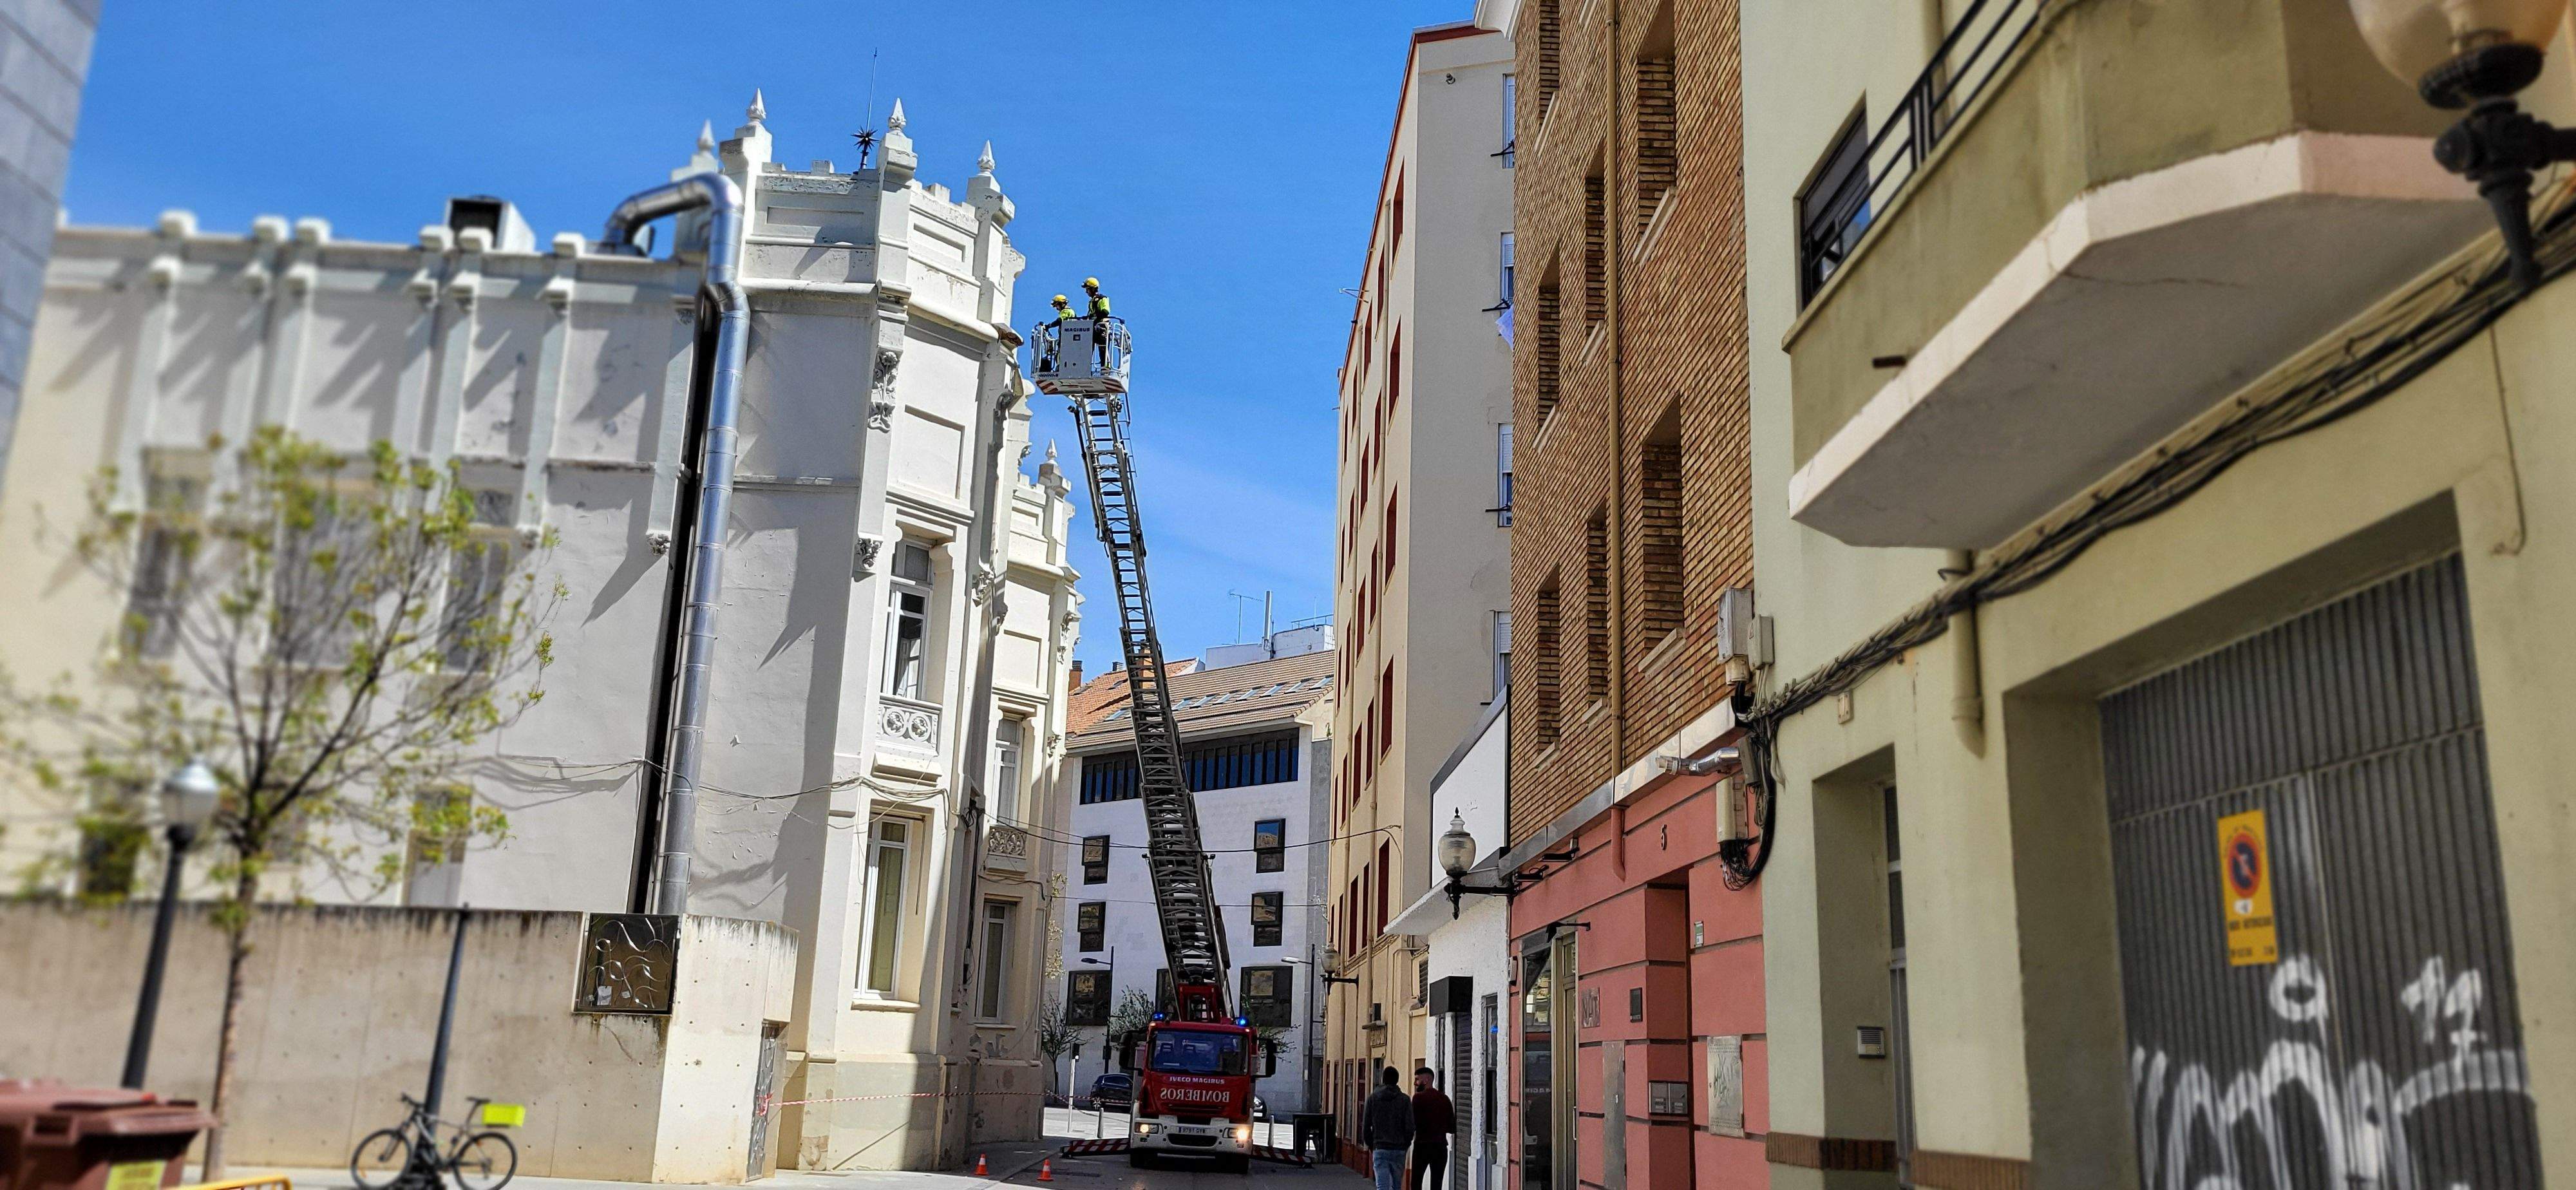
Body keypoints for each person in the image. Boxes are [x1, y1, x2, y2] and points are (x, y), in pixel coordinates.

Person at [1362, 1064, 1414, 1190]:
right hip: (1399, 1148)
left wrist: (1372, 1146)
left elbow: (1366, 1126)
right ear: (1397, 1080)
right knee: (1397, 1186)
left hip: (1380, 1147)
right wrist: (1405, 1144)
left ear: (1383, 1079)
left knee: (1382, 1186)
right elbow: (1410, 1126)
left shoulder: (1372, 1099)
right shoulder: (1405, 1100)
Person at [1410, 1066, 1454, 1190]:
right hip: (1440, 1147)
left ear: (1426, 1080)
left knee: (1416, 1182)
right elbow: (1451, 1127)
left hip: (1422, 1146)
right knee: (1437, 1184)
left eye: (1417, 1079)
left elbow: (1412, 1124)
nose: (1415, 1083)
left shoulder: (1418, 1098)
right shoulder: (1445, 1099)